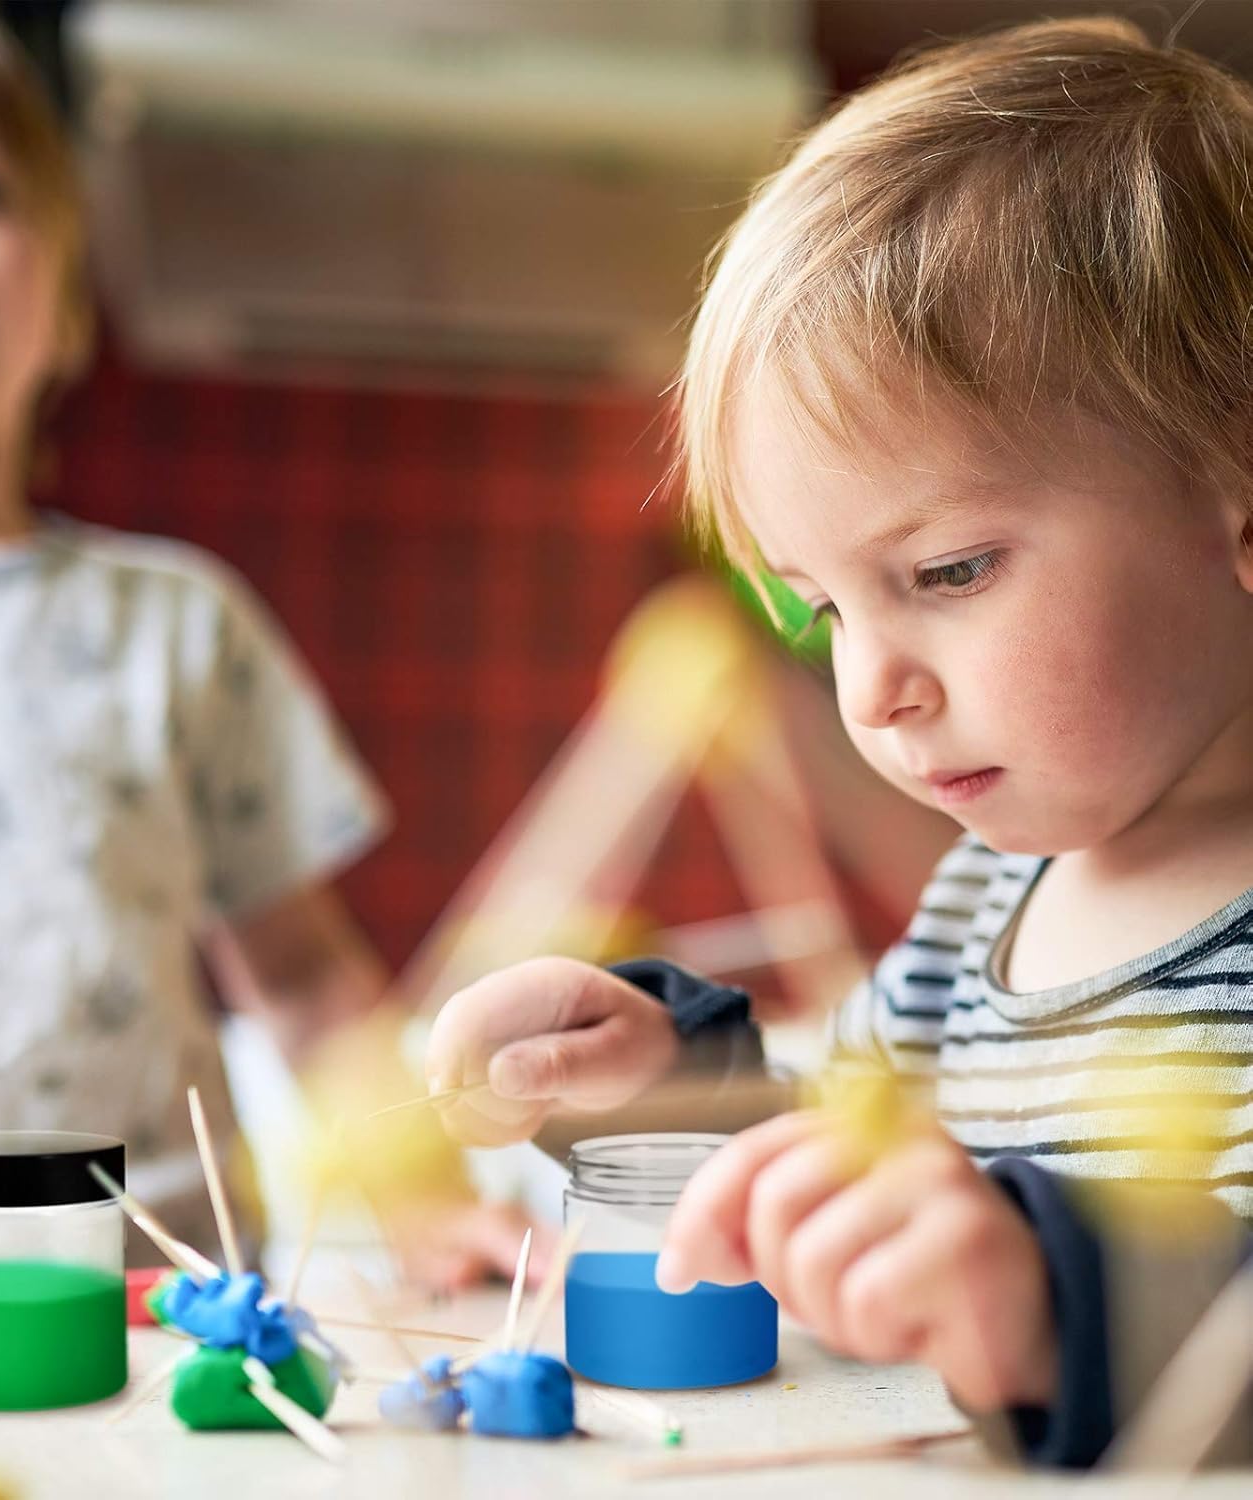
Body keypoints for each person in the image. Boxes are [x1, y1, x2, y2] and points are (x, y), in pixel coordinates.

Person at [426, 16, 1253, 1465]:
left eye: (947, 571)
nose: (869, 690)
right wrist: (667, 1089)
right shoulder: (982, 909)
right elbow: (852, 1175)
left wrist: (1060, 1309)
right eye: (820, 610)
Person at [0, 0, 526, 1289]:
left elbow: (308, 982)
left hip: (161, 1316)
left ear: (65, 296)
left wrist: (426, 1199)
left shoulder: (180, 626)